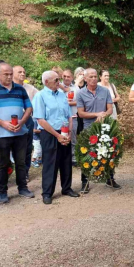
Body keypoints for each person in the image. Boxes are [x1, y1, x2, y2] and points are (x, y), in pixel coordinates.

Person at [0, 63, 34, 204]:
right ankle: (2, 192)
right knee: (3, 164)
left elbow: (29, 107)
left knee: (21, 162)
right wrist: (3, 123)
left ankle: (22, 188)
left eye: (11, 74)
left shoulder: (20, 88)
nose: (9, 77)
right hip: (1, 133)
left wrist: (22, 122)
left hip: (20, 132)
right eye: (6, 74)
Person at [33, 70, 79, 204]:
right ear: (47, 82)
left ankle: (66, 188)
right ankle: (47, 193)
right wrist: (57, 135)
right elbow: (40, 120)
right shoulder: (40, 96)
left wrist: (69, 132)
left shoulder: (61, 95)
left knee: (66, 160)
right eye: (56, 80)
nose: (59, 83)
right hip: (50, 133)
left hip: (65, 131)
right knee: (50, 163)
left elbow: (69, 115)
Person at [77, 68, 119, 191]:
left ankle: (109, 179)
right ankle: (84, 183)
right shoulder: (80, 93)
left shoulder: (105, 91)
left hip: (105, 127)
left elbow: (110, 109)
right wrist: (97, 115)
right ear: (85, 79)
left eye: (95, 76)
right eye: (91, 77)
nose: (94, 79)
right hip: (88, 128)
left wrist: (103, 115)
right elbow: (81, 113)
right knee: (87, 155)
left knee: (108, 153)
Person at [13, 65, 39, 181]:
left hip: (27, 119)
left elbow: (39, 101)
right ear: (12, 74)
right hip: (11, 119)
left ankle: (25, 172)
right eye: (19, 72)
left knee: (27, 147)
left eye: (24, 72)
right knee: (13, 147)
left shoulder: (31, 88)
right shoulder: (9, 87)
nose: (23, 74)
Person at [61, 69, 78, 163]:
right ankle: (63, 158)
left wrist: (71, 103)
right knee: (62, 136)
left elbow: (80, 101)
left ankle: (73, 157)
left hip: (73, 116)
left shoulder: (76, 88)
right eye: (64, 76)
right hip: (61, 117)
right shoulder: (58, 87)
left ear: (72, 78)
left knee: (73, 137)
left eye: (68, 76)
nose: (66, 78)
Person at [73, 67, 86, 135]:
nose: (81, 76)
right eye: (79, 74)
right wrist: (77, 83)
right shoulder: (72, 84)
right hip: (75, 110)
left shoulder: (87, 84)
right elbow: (72, 95)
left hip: (85, 109)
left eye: (83, 74)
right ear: (76, 75)